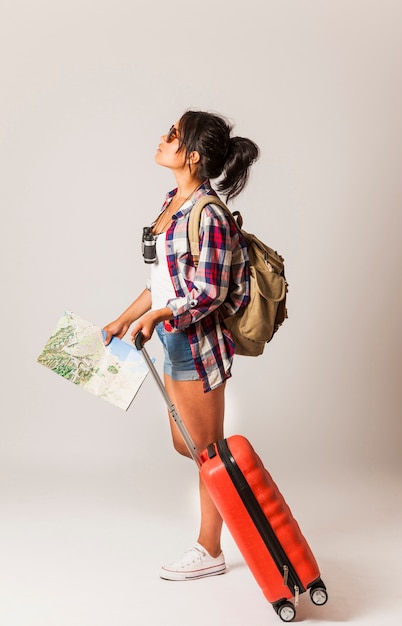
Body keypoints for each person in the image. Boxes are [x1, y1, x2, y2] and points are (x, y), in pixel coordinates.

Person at [103, 110, 259, 581]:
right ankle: (232, 497)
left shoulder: (209, 215)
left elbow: (209, 293)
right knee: (190, 444)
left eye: (174, 134)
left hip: (196, 346)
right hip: (170, 339)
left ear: (192, 156)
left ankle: (210, 547)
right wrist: (125, 318)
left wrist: (157, 317)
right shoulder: (173, 200)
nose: (163, 137)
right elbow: (163, 282)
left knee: (207, 451)